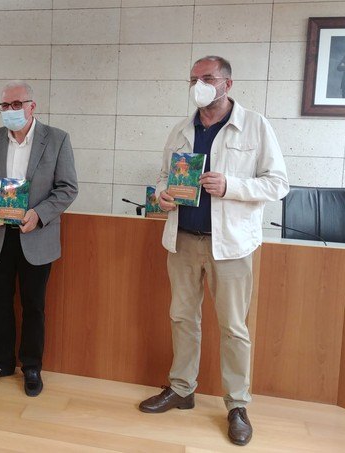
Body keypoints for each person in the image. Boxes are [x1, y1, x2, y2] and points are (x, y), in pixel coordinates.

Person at [138, 56, 289, 446]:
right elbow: (163, 177)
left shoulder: (255, 125)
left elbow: (278, 183)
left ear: (227, 83)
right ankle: (182, 388)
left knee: (234, 327)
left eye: (207, 78)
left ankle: (237, 405)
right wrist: (162, 195)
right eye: (193, 79)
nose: (199, 86)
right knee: (182, 318)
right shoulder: (181, 129)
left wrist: (231, 186)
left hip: (231, 246)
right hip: (184, 241)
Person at [0, 81, 78, 397]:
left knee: (34, 306)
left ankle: (31, 367)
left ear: (32, 106)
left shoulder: (57, 139)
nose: (10, 110)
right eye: (5, 105)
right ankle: (1, 362)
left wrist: (40, 214)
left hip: (36, 235)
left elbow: (68, 188)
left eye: (16, 104)